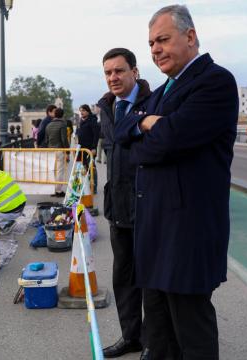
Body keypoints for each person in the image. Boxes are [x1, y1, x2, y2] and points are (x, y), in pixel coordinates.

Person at [116, 5, 238, 359]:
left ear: (190, 36)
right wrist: (145, 123)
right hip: (155, 232)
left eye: (163, 39)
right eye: (152, 43)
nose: (155, 49)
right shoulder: (163, 91)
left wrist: (151, 130)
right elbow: (124, 132)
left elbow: (168, 141)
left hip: (187, 232)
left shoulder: (214, 81)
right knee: (157, 332)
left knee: (191, 332)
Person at [98, 47, 151, 358]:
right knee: (124, 279)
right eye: (108, 72)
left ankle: (153, 342)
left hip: (146, 207)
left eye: (119, 71)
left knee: (152, 283)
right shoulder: (107, 107)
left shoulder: (153, 104)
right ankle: (130, 336)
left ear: (134, 71)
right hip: (117, 207)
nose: (113, 78)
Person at [45, 107, 70, 197]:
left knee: (53, 170)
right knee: (60, 170)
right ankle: (58, 190)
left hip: (50, 149)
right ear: (62, 115)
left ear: (55, 115)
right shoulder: (62, 124)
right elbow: (64, 139)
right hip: (59, 149)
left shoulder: (48, 125)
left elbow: (46, 139)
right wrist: (67, 152)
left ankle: (52, 189)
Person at [76, 104, 100, 194]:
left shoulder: (92, 120)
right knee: (83, 167)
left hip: (90, 148)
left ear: (88, 111)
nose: (81, 112)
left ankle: (94, 187)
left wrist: (94, 147)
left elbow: (96, 135)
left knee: (92, 168)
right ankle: (85, 186)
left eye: (83, 110)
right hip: (82, 148)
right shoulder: (81, 121)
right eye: (80, 110)